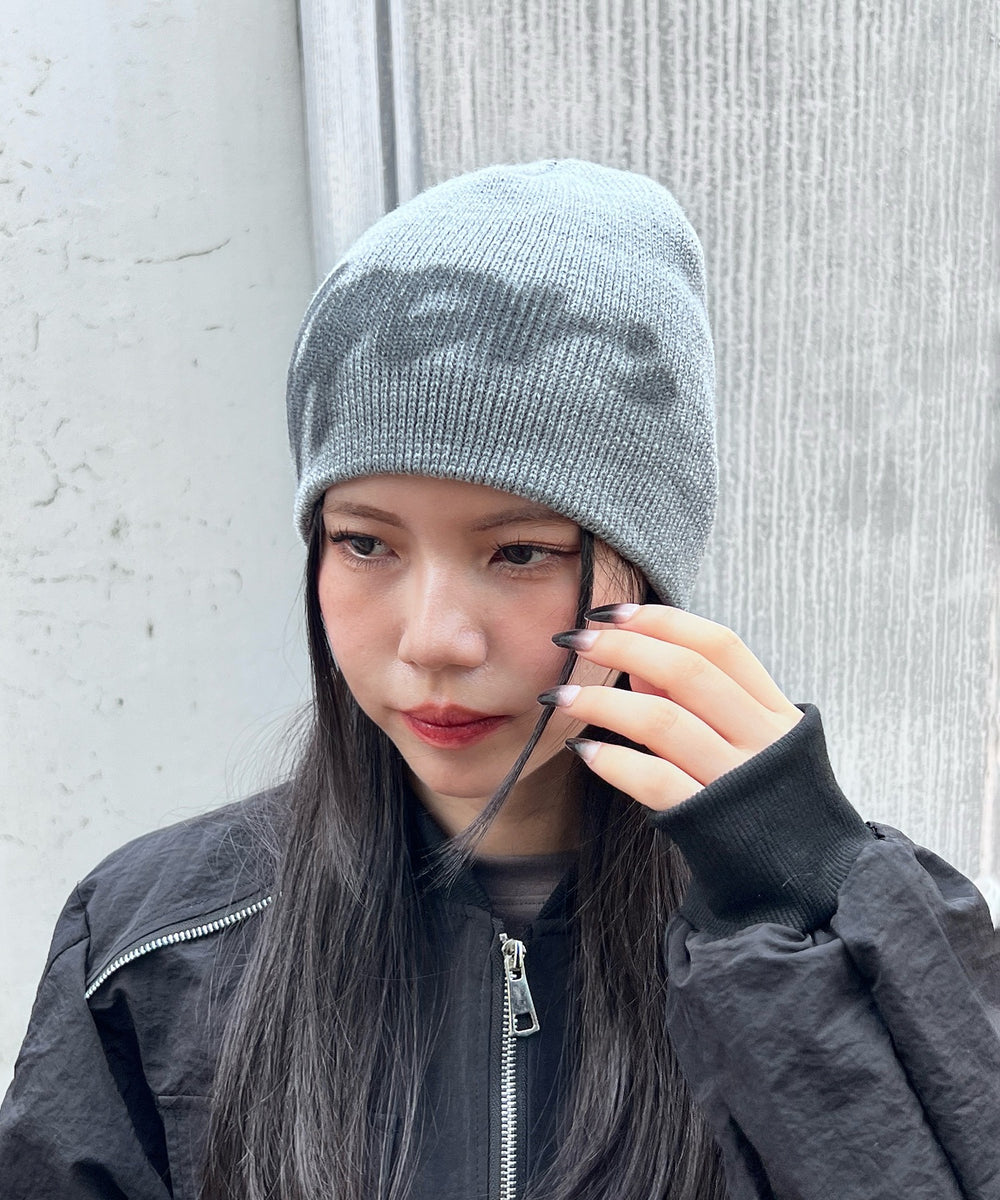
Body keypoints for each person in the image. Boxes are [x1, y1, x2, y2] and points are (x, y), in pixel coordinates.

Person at [0, 159, 997, 1200]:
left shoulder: (839, 926)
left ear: (645, 571)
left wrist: (808, 908)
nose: (434, 640)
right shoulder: (155, 943)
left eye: (519, 552)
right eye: (365, 543)